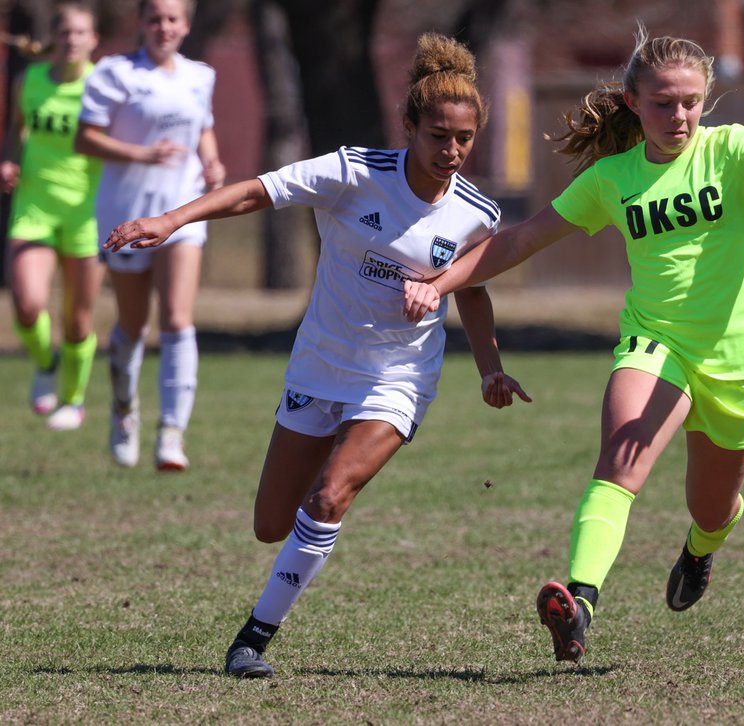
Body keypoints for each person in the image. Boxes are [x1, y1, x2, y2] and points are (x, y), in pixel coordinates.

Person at [402, 25, 744, 663]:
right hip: (655, 343)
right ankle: (580, 603)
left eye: (689, 101)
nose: (678, 114)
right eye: (662, 102)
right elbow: (520, 239)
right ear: (633, 101)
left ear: (705, 99)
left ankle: (701, 550)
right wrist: (439, 283)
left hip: (741, 360)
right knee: (620, 459)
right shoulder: (613, 178)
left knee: (712, 508)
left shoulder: (732, 149)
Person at [104, 32, 530, 679]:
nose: (451, 151)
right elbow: (256, 191)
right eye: (439, 135)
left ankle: (252, 641)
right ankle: (329, 471)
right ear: (409, 126)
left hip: (397, 376)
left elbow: (472, 289)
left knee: (329, 499)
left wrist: (490, 367)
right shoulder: (355, 171)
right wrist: (172, 220)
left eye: (464, 139)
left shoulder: (476, 213)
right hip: (321, 365)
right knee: (272, 524)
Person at [74, 0, 225, 470]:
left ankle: (172, 433)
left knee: (177, 318)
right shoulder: (114, 73)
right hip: (125, 214)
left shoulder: (200, 75)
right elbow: (84, 138)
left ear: (186, 25)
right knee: (134, 323)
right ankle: (124, 411)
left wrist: (212, 162)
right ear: (141, 22)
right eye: (155, 18)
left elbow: (203, 128)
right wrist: (141, 154)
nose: (164, 27)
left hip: (182, 212)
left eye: (172, 19)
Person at [2, 2, 102, 431]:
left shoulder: (103, 87)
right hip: (35, 208)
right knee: (27, 304)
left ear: (93, 40)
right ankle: (46, 361)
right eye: (65, 32)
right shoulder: (30, 80)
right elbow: (16, 130)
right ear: (55, 37)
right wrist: (9, 160)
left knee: (77, 320)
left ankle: (73, 400)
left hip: (86, 213)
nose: (72, 40)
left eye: (81, 33)